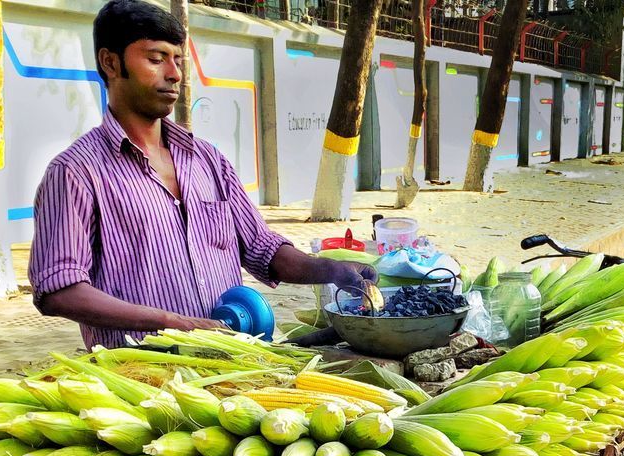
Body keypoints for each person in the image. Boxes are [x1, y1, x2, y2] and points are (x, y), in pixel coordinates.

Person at [28, 0, 375, 348]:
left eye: (178, 60)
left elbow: (261, 248)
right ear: (110, 62)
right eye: (156, 58)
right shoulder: (75, 172)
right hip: (144, 378)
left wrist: (329, 269)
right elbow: (61, 290)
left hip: (232, 365)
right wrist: (170, 323)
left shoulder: (207, 160)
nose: (175, 73)